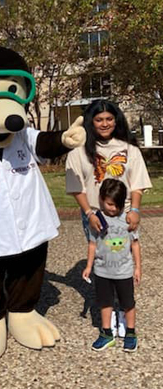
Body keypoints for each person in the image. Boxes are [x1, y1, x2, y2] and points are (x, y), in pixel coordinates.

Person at [65, 99, 152, 336]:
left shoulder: (128, 149)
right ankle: (108, 311)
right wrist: (89, 213)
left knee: (124, 257)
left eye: (109, 119)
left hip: (123, 213)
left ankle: (124, 309)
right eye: (99, 119)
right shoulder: (79, 152)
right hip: (94, 213)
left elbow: (137, 184)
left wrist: (134, 210)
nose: (105, 124)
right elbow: (77, 187)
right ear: (91, 122)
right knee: (103, 257)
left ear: (116, 120)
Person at [82, 179, 141, 352]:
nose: (113, 208)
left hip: (124, 271)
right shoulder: (96, 220)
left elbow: (135, 244)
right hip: (102, 271)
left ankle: (130, 332)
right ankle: (107, 333)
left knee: (128, 303)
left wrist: (138, 267)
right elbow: (92, 244)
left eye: (118, 205)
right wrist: (88, 266)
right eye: (109, 204)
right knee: (105, 303)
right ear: (101, 199)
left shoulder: (129, 219)